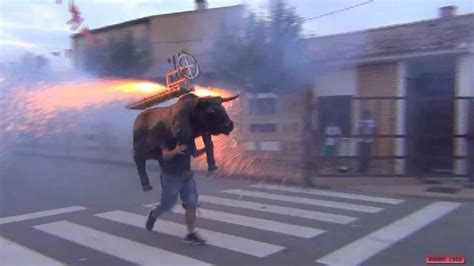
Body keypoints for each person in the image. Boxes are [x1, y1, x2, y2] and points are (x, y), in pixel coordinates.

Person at [145, 136, 207, 245]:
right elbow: (165, 156)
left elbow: (194, 153)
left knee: (191, 204)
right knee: (167, 205)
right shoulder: (169, 136)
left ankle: (191, 234)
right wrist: (176, 150)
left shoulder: (189, 136)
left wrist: (206, 148)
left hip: (187, 177)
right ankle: (154, 214)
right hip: (171, 177)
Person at [357, 110, 376, 174]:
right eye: (364, 114)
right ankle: (361, 168)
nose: (365, 116)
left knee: (367, 155)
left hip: (368, 140)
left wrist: (370, 137)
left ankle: (366, 169)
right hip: (361, 140)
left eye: (366, 114)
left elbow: (373, 129)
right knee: (361, 155)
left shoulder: (371, 121)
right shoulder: (360, 121)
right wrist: (362, 136)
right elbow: (358, 129)